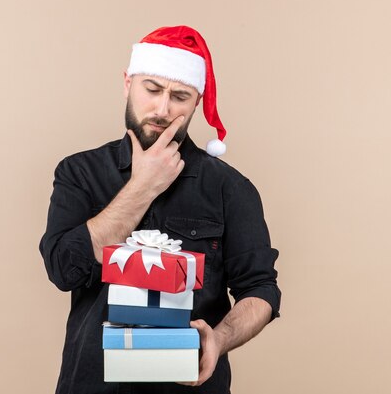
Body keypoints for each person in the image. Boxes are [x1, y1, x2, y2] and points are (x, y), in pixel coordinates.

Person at [39, 25, 281, 394]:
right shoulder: (79, 173)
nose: (163, 109)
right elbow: (62, 269)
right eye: (151, 89)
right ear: (127, 84)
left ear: (196, 102)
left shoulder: (231, 188)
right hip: (92, 383)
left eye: (180, 96)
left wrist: (218, 339)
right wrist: (141, 187)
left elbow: (261, 290)